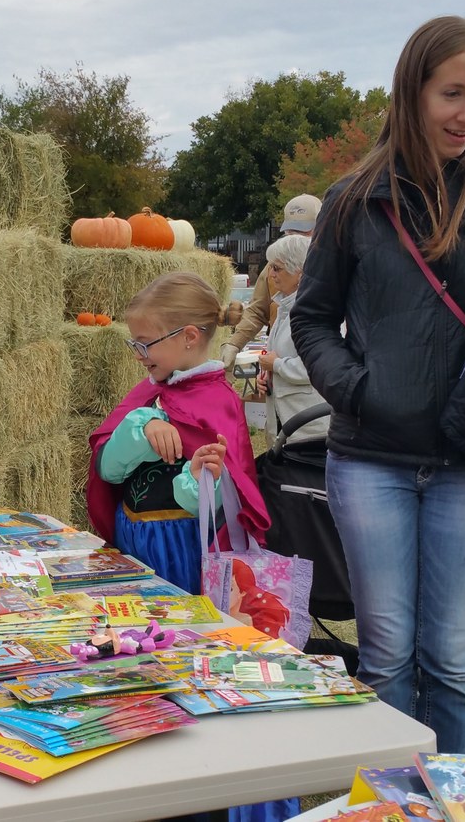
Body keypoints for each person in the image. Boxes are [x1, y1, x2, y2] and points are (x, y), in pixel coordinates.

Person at [289, 16, 465, 755]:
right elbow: (310, 319)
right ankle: (389, 802)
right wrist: (358, 390)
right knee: (384, 654)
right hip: (369, 458)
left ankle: (454, 800)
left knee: (450, 657)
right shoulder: (354, 198)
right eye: (451, 93)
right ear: (412, 93)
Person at [85, 275, 293, 822]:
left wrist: (195, 478)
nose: (138, 355)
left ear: (189, 338)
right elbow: (107, 464)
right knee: (135, 653)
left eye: (144, 343)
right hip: (137, 548)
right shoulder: (150, 395)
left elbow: (230, 494)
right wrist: (138, 428)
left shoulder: (216, 400)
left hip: (185, 556)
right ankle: (137, 757)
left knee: (187, 655)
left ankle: (194, 779)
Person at [221, 193, 322, 371]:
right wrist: (234, 344)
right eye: (291, 231)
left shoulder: (334, 263)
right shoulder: (273, 266)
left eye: (303, 231)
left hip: (314, 366)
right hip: (278, 361)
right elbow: (258, 309)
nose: (294, 236)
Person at [255, 234, 330, 446]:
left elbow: (319, 366)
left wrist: (276, 365)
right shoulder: (284, 308)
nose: (271, 274)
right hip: (289, 424)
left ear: (300, 272)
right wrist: (268, 379)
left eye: (277, 268)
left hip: (310, 427)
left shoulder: (318, 312)